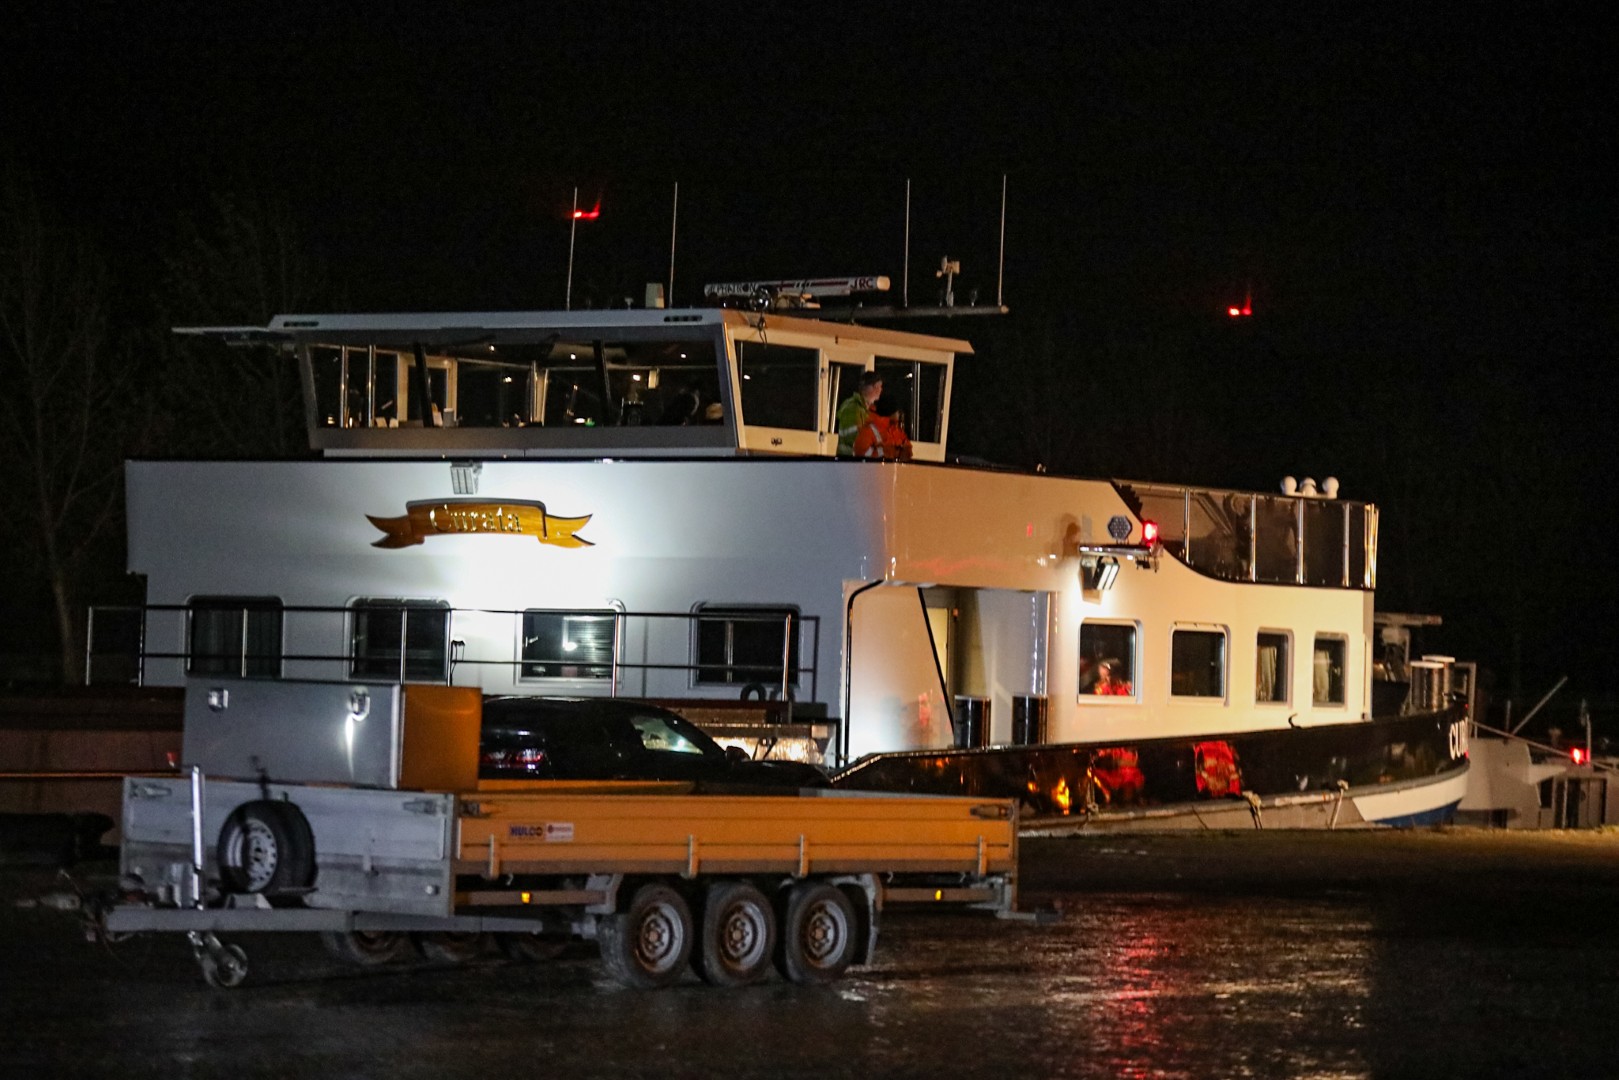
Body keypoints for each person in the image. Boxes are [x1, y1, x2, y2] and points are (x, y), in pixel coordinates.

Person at [835, 372, 883, 456]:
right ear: (873, 387)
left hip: (857, 463)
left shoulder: (865, 410)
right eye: (879, 386)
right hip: (851, 463)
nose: (881, 390)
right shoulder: (852, 408)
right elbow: (856, 440)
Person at [852, 396, 913, 461]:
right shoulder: (868, 431)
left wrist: (905, 452)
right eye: (898, 411)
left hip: (894, 470)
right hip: (875, 470)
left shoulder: (898, 432)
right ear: (891, 411)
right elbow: (859, 456)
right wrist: (885, 452)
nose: (900, 414)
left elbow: (907, 454)